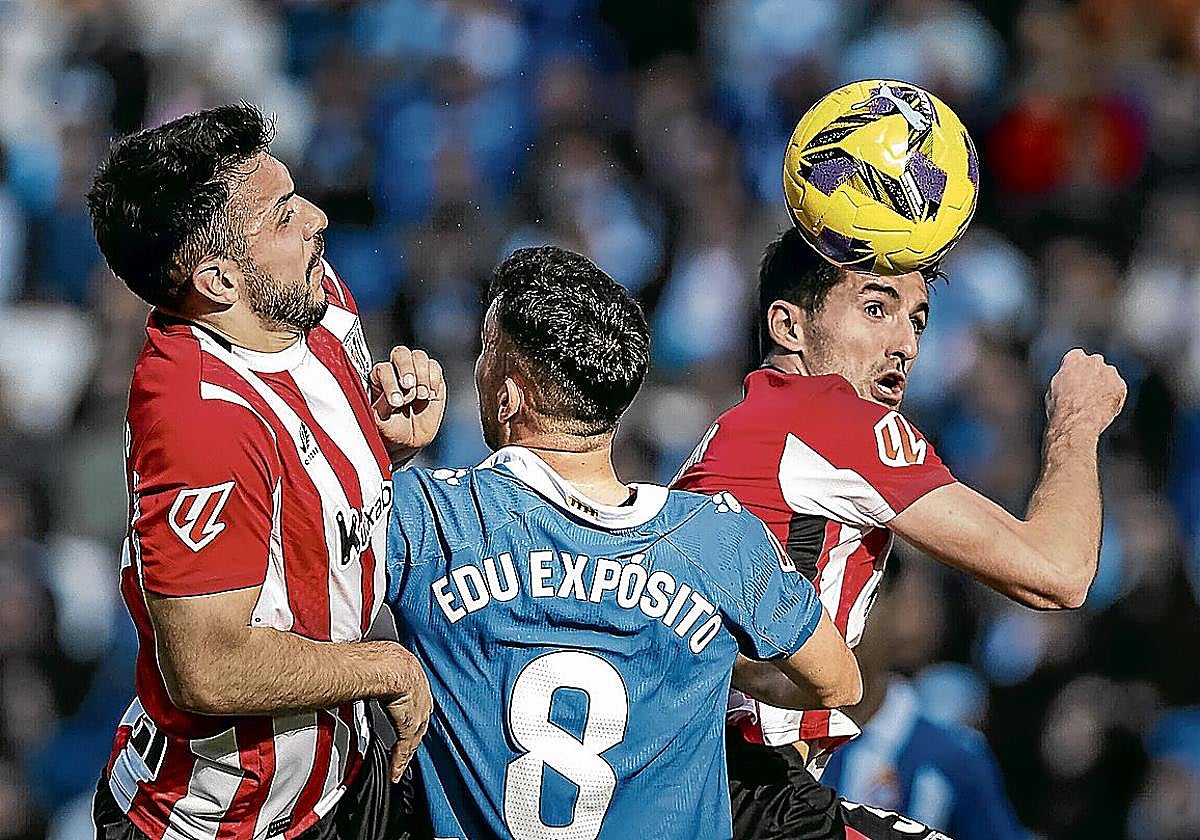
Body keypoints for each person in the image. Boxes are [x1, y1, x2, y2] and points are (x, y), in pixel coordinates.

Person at [385, 245, 863, 840]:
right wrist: (699, 667)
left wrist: (389, 455)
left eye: (486, 352)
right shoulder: (717, 537)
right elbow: (839, 682)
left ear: (508, 395)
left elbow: (306, 607)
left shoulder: (429, 513)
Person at [673, 227, 1127, 840]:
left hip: (691, 784)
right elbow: (1059, 573)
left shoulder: (734, 432)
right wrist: (1077, 421)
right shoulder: (830, 418)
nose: (905, 343)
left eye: (917, 318)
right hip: (738, 789)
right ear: (789, 327)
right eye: (875, 308)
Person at [86, 103, 444, 840]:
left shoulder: (300, 292)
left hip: (340, 776)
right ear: (218, 280)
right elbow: (208, 667)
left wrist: (383, 446)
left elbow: (303, 503)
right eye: (282, 215)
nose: (316, 217)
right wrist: (387, 670)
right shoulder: (201, 417)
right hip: (222, 819)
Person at [820, 587, 1029, 840]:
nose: (843, 626)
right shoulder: (785, 740)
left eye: (859, 605)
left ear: (892, 611)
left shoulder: (954, 756)